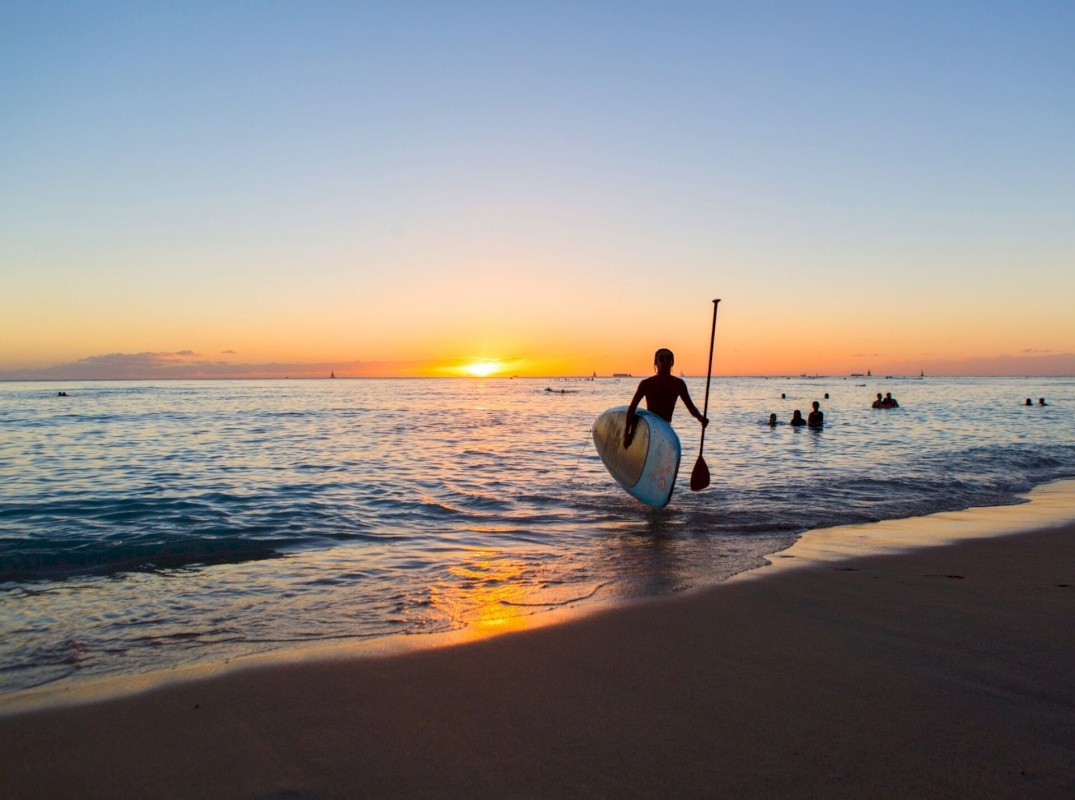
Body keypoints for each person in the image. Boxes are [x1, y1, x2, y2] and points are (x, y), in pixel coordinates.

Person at [623, 348, 708, 448]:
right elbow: (632, 408)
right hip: (649, 428)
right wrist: (626, 435)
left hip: (665, 429)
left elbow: (691, 407)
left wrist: (700, 418)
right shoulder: (646, 384)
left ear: (672, 362)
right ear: (656, 362)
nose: (665, 361)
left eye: (668, 358)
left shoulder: (678, 384)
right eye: (661, 358)